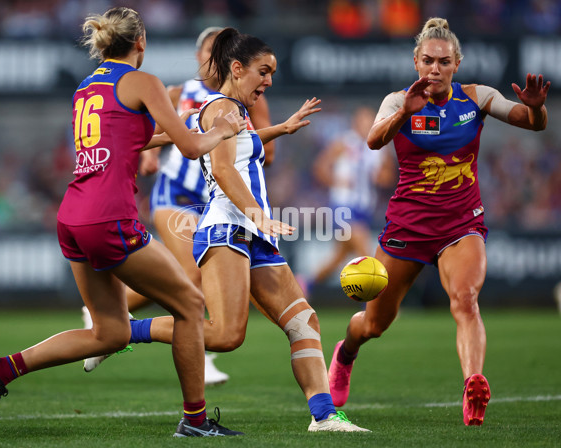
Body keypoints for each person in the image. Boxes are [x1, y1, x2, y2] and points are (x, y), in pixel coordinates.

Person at [0, 7, 247, 437]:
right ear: (141, 41)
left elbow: (129, 140)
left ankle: (0, 370)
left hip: (74, 216)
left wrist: (187, 130)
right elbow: (193, 149)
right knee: (191, 306)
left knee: (110, 333)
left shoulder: (88, 85)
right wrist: (222, 130)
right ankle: (194, 421)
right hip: (109, 217)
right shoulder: (144, 81)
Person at [123, 27, 370, 433]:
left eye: (271, 72)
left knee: (303, 319)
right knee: (225, 335)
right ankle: (126, 331)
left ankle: (324, 416)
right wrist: (258, 214)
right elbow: (221, 169)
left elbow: (240, 146)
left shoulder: (232, 113)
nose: (269, 81)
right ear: (237, 69)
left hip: (252, 233)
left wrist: (282, 128)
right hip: (228, 229)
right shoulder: (224, 110)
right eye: (263, 71)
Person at [327, 17, 550, 427]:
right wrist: (403, 115)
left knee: (465, 300)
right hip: (406, 230)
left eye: (443, 62)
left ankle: (473, 385)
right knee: (374, 324)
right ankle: (346, 352)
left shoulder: (476, 97)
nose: (435, 69)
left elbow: (529, 122)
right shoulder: (398, 101)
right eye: (428, 60)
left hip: (461, 226)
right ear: (416, 61)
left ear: (456, 64)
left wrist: (536, 110)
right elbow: (373, 140)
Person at [82, 26, 276, 386]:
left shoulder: (249, 98)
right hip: (174, 194)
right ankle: (199, 356)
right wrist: (151, 154)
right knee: (193, 278)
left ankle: (111, 316)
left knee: (181, 277)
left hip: (212, 202)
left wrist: (269, 136)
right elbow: (144, 132)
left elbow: (265, 153)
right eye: (206, 52)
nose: (210, 59)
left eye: (217, 51)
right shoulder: (179, 91)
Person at [310, 106, 395, 289]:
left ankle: (304, 285)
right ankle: (373, 301)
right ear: (355, 123)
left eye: (370, 121)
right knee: (366, 253)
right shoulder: (343, 143)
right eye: (363, 121)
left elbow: (388, 178)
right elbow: (320, 168)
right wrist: (337, 181)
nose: (366, 125)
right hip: (343, 206)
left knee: (338, 259)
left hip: (364, 208)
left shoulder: (380, 148)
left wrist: (379, 177)